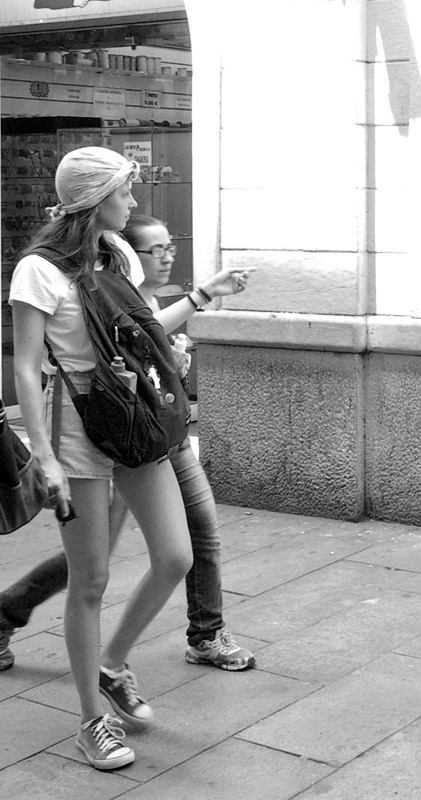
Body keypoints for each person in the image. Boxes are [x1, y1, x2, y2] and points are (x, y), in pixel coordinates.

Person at [7, 147, 245, 771]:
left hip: (136, 415)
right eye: (124, 192)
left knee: (175, 556)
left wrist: (202, 296)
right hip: (78, 423)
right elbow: (27, 370)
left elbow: (141, 331)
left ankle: (111, 664)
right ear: (94, 199)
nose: (133, 202)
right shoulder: (38, 269)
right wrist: (44, 457)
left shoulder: (117, 253)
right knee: (90, 579)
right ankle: (92, 721)